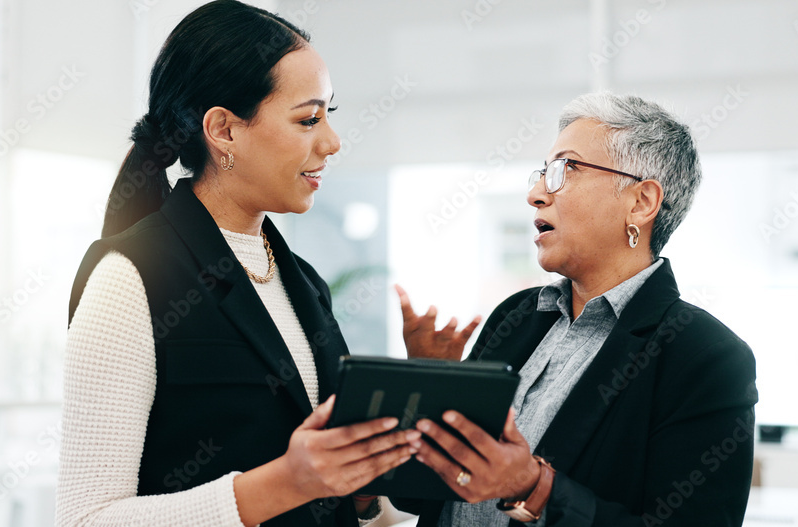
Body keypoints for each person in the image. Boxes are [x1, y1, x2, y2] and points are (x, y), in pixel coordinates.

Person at [56, 2, 417, 526]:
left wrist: (414, 402)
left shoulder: (306, 284)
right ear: (223, 130)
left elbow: (350, 504)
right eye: (308, 119)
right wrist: (283, 484)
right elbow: (86, 519)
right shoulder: (129, 276)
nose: (332, 142)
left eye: (328, 117)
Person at [394, 92, 758, 526]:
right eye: (541, 173)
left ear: (641, 202)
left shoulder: (705, 356)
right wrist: (430, 394)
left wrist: (535, 489)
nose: (535, 194)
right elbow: (423, 499)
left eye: (564, 170)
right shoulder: (517, 316)